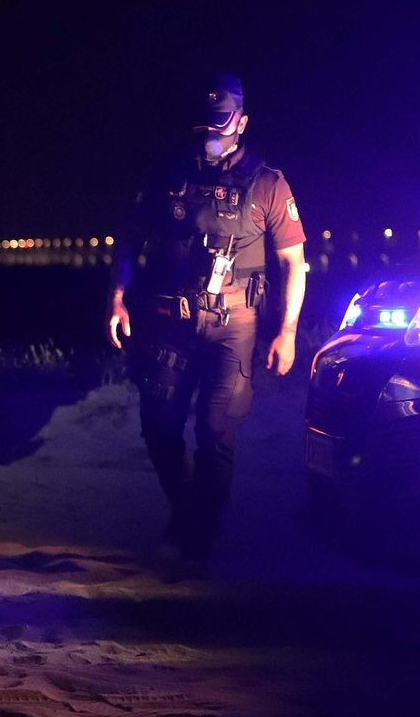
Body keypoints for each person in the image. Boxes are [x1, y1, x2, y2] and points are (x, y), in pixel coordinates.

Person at [106, 73, 307, 579]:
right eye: (205, 125)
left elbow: (293, 263)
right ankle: (186, 512)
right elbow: (129, 237)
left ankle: (195, 539)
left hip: (234, 325)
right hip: (168, 322)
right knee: (159, 427)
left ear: (241, 122)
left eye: (220, 125)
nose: (210, 134)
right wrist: (118, 298)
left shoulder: (267, 182)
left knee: (215, 432)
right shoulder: (169, 173)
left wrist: (286, 333)